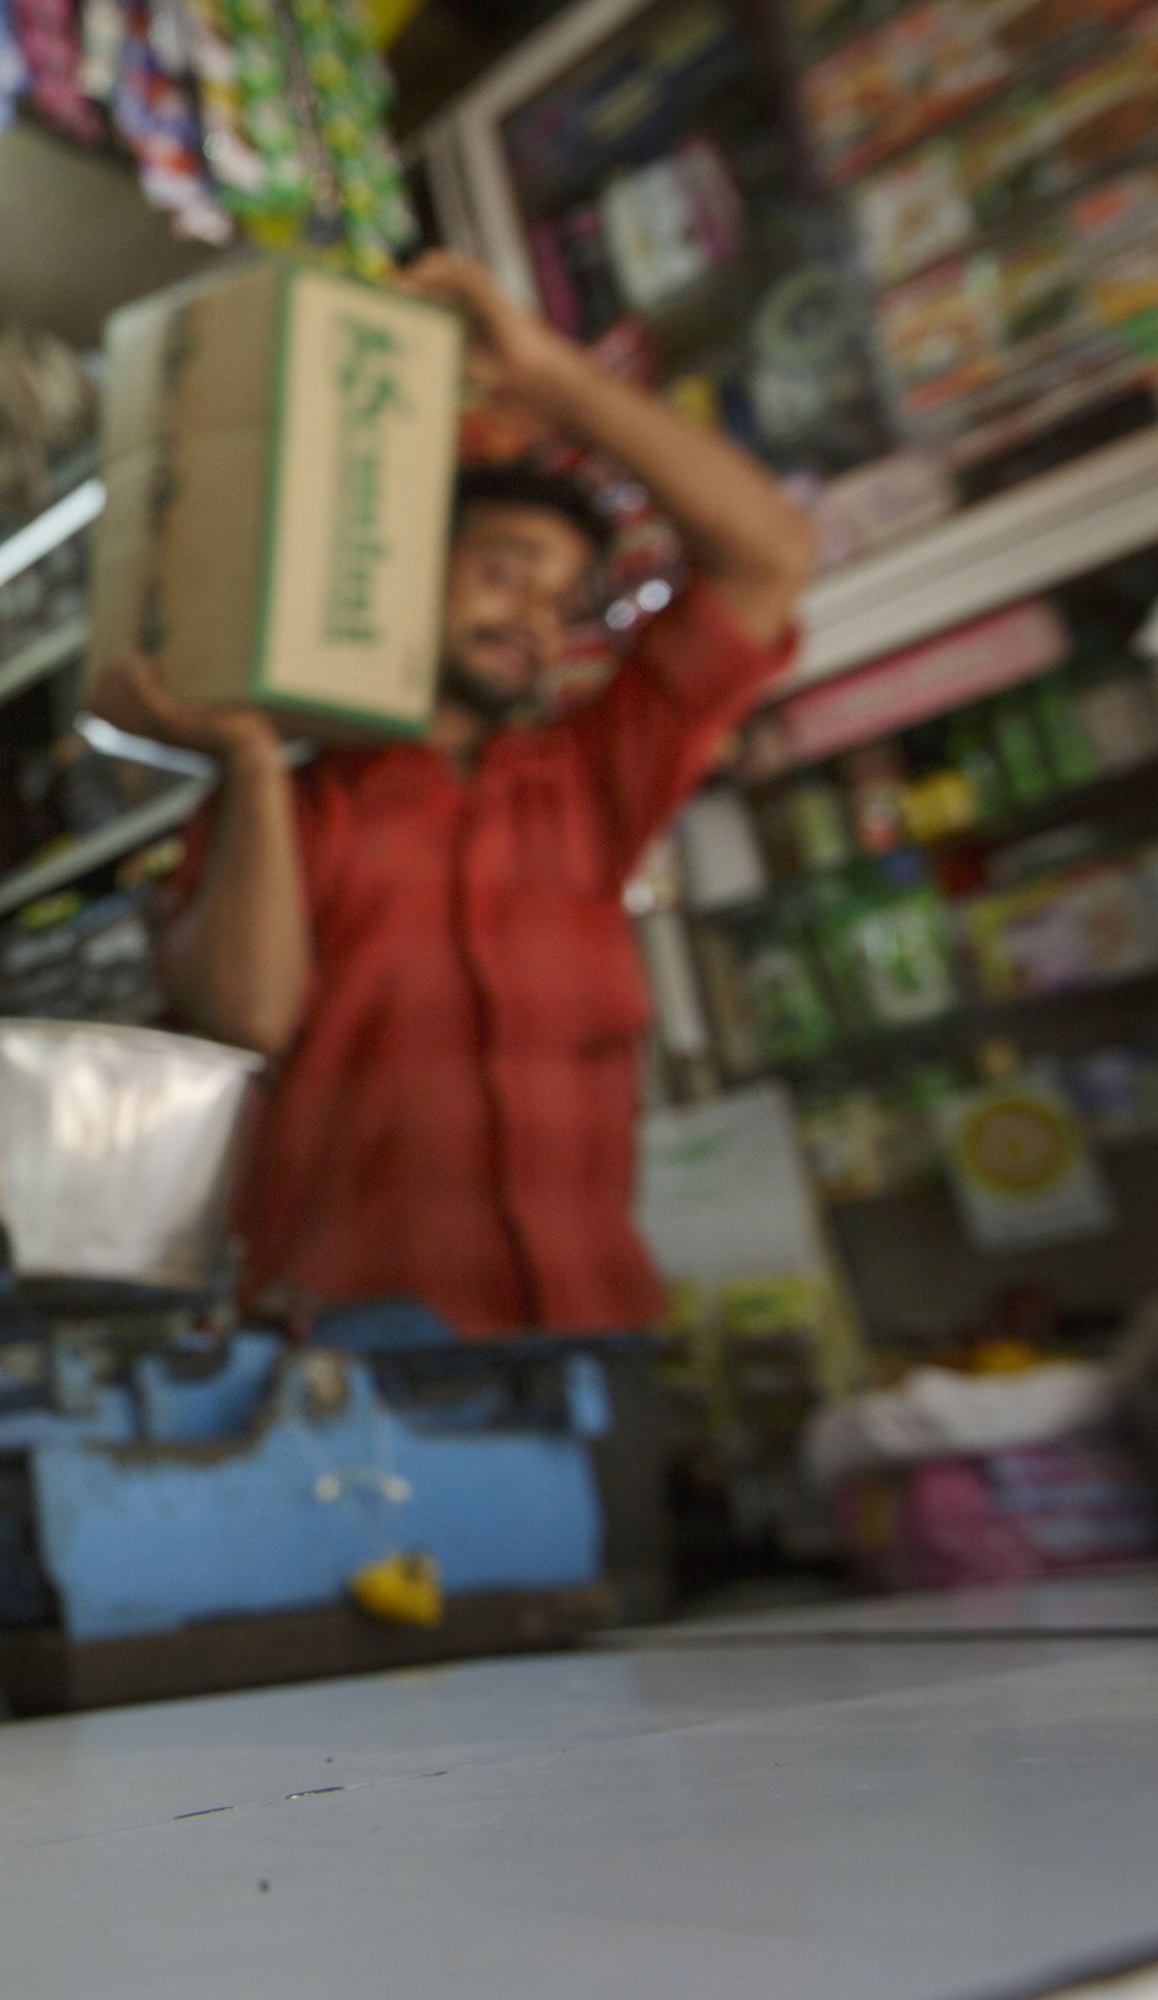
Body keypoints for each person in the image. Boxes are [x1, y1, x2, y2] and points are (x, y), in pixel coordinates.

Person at [93, 251, 819, 1339]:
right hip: (354, 1367)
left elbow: (772, 557)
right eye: (504, 572)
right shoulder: (295, 806)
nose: (534, 619)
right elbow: (247, 1013)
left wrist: (549, 369)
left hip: (590, 1345)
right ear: (405, 571)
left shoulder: (586, 784)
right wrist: (249, 761)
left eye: (562, 603)